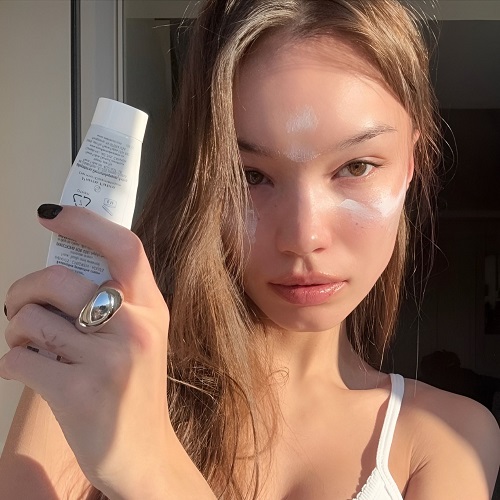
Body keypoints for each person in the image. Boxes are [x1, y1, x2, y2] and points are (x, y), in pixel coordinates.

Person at [1, 0, 499, 498]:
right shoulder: (105, 370)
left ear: (412, 161)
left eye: (356, 167)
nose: (303, 237)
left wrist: (151, 468)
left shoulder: (448, 439)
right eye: (251, 175)